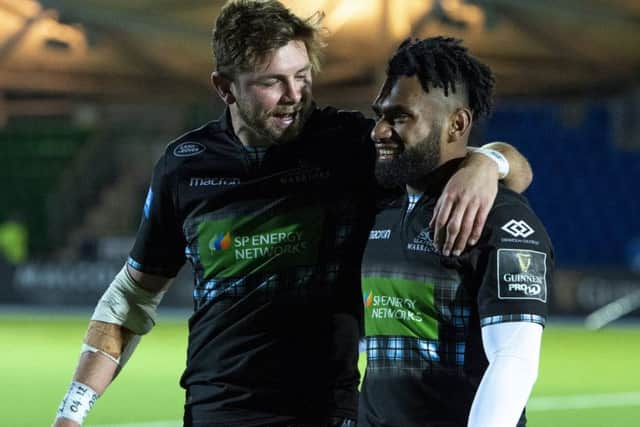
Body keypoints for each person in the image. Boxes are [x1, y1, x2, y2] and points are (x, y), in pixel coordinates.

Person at [52, 2, 533, 427]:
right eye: (272, 82)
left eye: (302, 76)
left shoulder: (350, 145)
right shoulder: (185, 164)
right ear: (225, 88)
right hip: (214, 410)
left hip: (326, 411)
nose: (294, 95)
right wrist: (73, 408)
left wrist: (487, 162)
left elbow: (462, 154)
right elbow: (131, 299)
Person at [359, 36, 553, 427]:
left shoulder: (502, 219)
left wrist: (486, 161)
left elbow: (513, 361)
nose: (379, 131)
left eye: (399, 117)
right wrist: (491, 159)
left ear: (457, 124)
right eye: (380, 114)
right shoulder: (382, 203)